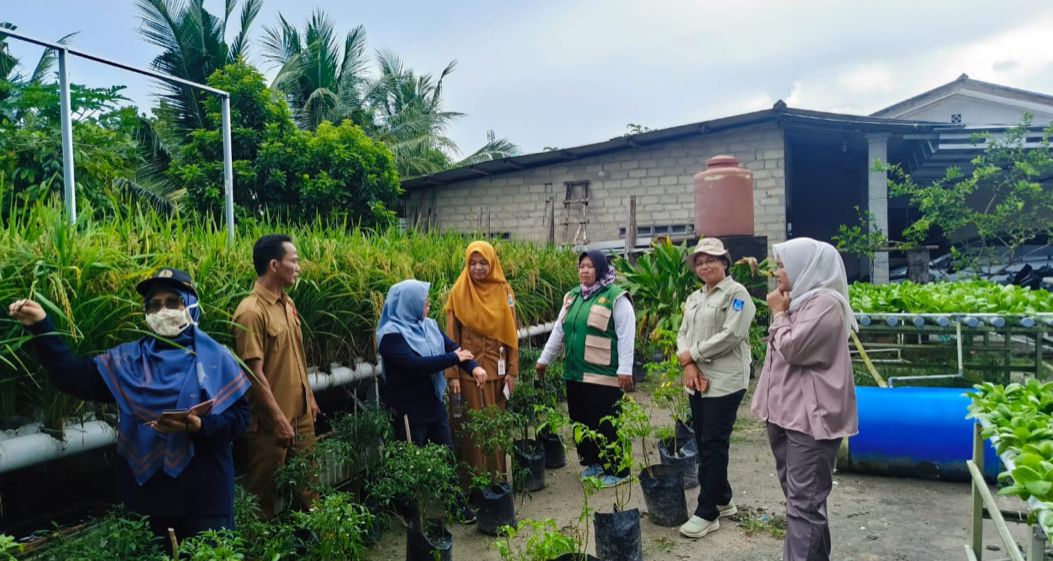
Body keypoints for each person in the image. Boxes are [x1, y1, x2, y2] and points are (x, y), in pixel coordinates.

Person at [8, 268, 250, 540]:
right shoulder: (129, 362)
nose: (163, 311)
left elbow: (241, 418)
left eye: (173, 302)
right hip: (150, 500)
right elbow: (71, 377)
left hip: (205, 498)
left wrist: (201, 426)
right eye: (154, 305)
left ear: (191, 305)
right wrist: (41, 325)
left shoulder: (216, 359)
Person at [750, 237, 859, 561]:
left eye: (783, 266)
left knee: (803, 507)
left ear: (806, 267)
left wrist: (778, 315)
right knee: (803, 503)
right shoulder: (798, 302)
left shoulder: (826, 304)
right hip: (785, 415)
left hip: (810, 420)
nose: (777, 272)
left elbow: (793, 349)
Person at [376, 278, 484, 523]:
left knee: (446, 454)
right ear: (408, 303)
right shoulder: (390, 335)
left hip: (432, 403)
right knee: (410, 462)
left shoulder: (429, 326)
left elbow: (454, 348)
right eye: (423, 301)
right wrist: (453, 359)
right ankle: (411, 515)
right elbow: (414, 365)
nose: (428, 304)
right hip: (408, 409)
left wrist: (474, 367)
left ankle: (456, 505)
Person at [674, 238, 757, 539]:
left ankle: (707, 512)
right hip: (697, 378)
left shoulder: (737, 294)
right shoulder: (695, 297)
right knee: (703, 440)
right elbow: (683, 333)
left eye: (711, 259)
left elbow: (732, 335)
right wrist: (688, 363)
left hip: (725, 380)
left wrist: (693, 355)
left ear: (724, 262)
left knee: (712, 443)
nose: (704, 266)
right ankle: (723, 498)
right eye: (699, 261)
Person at [234, 234, 321, 519]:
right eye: (293, 261)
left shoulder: (288, 303)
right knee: (264, 494)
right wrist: (279, 419)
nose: (298, 267)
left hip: (300, 415)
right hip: (270, 423)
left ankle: (319, 538)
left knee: (308, 486)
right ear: (274, 265)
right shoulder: (250, 312)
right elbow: (253, 373)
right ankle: (262, 543)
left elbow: (297, 355)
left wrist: (309, 397)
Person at [536, 250, 635, 487]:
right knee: (581, 420)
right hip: (574, 372)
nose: (585, 270)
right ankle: (594, 463)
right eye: (582, 266)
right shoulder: (572, 296)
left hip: (603, 375)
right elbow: (559, 331)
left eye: (590, 266)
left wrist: (625, 369)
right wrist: (544, 360)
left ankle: (618, 470)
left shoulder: (615, 297)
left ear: (600, 269)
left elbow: (626, 334)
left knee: (606, 422)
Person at [443, 241, 519, 486]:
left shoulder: (504, 290)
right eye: (473, 263)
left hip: (497, 371)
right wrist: (453, 375)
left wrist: (512, 371)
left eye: (483, 263)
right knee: (471, 429)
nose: (477, 268)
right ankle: (473, 486)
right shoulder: (459, 291)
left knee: (495, 429)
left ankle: (497, 482)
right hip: (468, 374)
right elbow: (451, 338)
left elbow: (511, 334)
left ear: (492, 263)